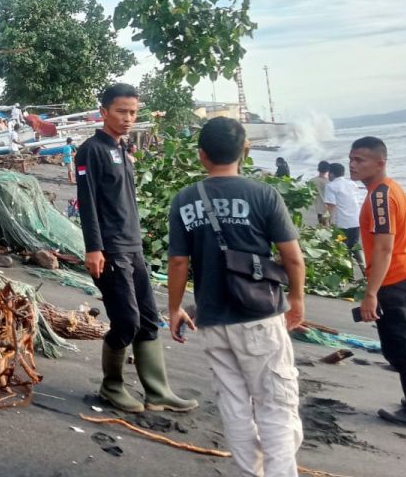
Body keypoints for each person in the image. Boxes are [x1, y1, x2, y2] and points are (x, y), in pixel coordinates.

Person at [167, 117, 305, 477]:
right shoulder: (263, 195)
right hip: (259, 316)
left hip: (212, 319)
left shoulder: (184, 199)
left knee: (234, 405)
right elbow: (292, 257)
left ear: (201, 155)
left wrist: (175, 308)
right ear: (245, 149)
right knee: (276, 403)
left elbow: (179, 262)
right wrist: (298, 300)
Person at [77, 83, 197, 413]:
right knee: (126, 320)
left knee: (147, 319)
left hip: (133, 247)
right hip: (110, 250)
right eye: (121, 111)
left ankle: (157, 391)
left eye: (133, 112)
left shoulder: (123, 151)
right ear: (103, 112)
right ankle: (111, 386)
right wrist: (94, 248)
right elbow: (87, 203)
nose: (128, 118)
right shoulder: (91, 150)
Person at [350, 136, 406, 429]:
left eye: (360, 160)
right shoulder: (391, 189)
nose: (353, 165)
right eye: (351, 159)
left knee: (401, 347)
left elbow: (384, 247)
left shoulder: (380, 196)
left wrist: (371, 293)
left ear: (380, 162)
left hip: (395, 279)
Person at [323, 163, 364, 269]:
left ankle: (347, 274)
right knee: (355, 246)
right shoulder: (352, 183)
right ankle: (364, 270)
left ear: (332, 174)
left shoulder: (331, 186)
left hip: (341, 224)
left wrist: (327, 222)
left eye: (329, 173)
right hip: (355, 221)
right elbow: (358, 201)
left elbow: (331, 206)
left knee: (341, 247)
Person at [310, 160, 331, 227]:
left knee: (322, 227)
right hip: (330, 207)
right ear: (327, 170)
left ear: (318, 169)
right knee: (329, 227)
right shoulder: (329, 182)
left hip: (319, 207)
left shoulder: (312, 181)